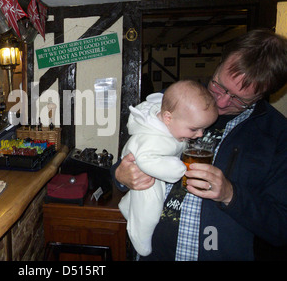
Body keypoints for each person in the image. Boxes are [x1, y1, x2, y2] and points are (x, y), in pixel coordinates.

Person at [112, 29, 287, 260]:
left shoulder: (277, 135)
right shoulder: (174, 101)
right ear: (219, 63)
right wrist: (120, 176)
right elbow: (128, 158)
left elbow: (280, 229)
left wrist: (230, 194)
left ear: (265, 94)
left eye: (239, 99)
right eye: (219, 85)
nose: (222, 102)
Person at [118, 80, 217, 256]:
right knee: (150, 209)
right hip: (143, 172)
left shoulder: (173, 121)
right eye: (194, 129)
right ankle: (139, 237)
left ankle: (127, 206)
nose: (200, 134)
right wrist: (177, 169)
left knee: (141, 201)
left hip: (150, 167)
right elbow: (146, 159)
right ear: (168, 118)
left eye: (203, 129)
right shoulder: (153, 138)